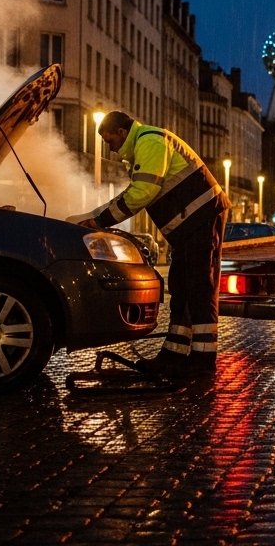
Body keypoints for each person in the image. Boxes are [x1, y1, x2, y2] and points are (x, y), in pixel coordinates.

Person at [69, 111, 230, 375]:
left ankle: (203, 360)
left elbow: (142, 193)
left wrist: (100, 221)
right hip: (191, 221)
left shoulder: (150, 142)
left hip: (201, 216)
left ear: (122, 132)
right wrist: (94, 217)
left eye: (111, 141)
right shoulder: (144, 146)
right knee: (181, 286)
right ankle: (175, 354)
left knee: (199, 286)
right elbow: (134, 194)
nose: (111, 149)